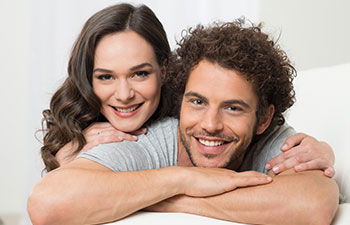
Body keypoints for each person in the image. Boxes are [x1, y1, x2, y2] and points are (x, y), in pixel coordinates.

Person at [28, 17, 339, 225]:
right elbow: (47, 202)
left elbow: (314, 204)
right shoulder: (139, 140)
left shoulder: (273, 139)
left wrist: (167, 199)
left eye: (233, 108)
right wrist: (183, 178)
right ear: (182, 97)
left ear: (264, 118)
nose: (211, 123)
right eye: (197, 102)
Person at [40, 3, 175, 172]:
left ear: (163, 70)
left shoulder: (189, 126)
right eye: (106, 77)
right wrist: (62, 163)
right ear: (88, 79)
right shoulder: (76, 135)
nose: (124, 95)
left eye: (139, 74)